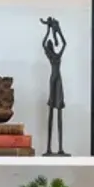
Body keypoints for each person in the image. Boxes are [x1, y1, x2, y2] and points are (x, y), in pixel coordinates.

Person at [41, 17, 69, 156]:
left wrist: (56, 32)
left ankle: (60, 148)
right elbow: (43, 43)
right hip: (53, 80)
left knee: (58, 112)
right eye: (51, 44)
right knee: (52, 111)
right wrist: (48, 30)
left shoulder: (56, 55)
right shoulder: (52, 56)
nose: (51, 45)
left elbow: (64, 43)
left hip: (58, 81)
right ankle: (48, 148)